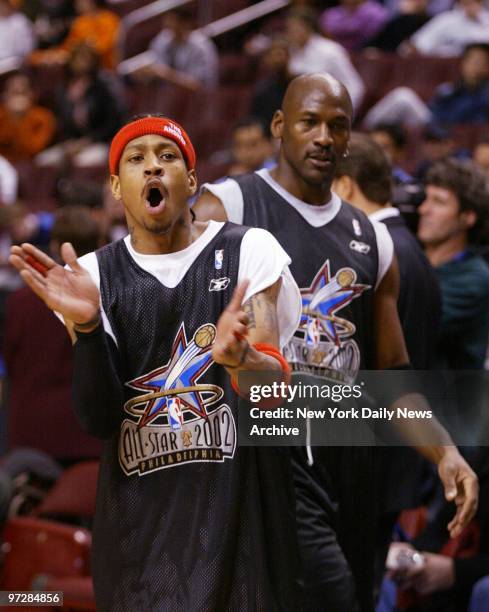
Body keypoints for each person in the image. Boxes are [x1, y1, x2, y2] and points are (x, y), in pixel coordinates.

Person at [194, 73, 478, 612]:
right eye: (309, 122)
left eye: (337, 126)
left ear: (349, 140)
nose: (324, 137)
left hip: (344, 464)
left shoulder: (373, 240)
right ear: (280, 127)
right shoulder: (227, 205)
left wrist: (445, 452)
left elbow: (394, 379)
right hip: (254, 456)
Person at [10, 115, 302, 610]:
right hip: (139, 534)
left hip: (242, 526)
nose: (152, 169)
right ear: (115, 187)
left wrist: (244, 360)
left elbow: (273, 395)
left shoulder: (248, 249)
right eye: (136, 159)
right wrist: (85, 331)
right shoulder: (94, 276)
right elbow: (98, 418)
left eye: (167, 158)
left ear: (190, 181)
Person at [332, 132, 441, 580]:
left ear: (343, 186)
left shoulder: (381, 253)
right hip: (390, 465)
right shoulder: (411, 250)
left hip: (366, 469)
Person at [4, 206, 102, 461]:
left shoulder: (19, 302)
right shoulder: (112, 297)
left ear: (55, 244)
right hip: (92, 435)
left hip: (30, 435)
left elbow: (10, 364)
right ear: (100, 244)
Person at [417, 157, 489, 370]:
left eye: (439, 202)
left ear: (467, 217)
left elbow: (414, 325)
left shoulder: (474, 279)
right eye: (425, 199)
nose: (424, 210)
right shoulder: (414, 259)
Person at [363, 43, 489, 128]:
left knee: (403, 97)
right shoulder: (450, 88)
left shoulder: (484, 94)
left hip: (451, 130)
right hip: (433, 125)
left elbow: (475, 122)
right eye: (471, 61)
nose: (475, 66)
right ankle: (366, 130)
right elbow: (433, 109)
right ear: (463, 64)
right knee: (402, 96)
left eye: (480, 62)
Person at [285, 8, 365, 110]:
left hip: (330, 105)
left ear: (308, 27)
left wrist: (345, 113)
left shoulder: (330, 50)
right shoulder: (291, 50)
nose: (290, 33)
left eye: (294, 28)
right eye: (288, 29)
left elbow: (355, 87)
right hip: (303, 105)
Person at [140, 7, 218, 91]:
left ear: (185, 24)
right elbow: (155, 69)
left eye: (172, 22)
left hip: (200, 99)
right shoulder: (162, 40)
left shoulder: (201, 46)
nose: (168, 26)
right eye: (167, 23)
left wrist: (163, 73)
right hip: (168, 96)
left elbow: (197, 85)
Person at [0, 72, 56, 161]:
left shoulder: (43, 117)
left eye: (22, 93)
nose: (18, 99)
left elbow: (33, 149)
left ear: (31, 95)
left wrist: (19, 119)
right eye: (14, 93)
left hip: (33, 164)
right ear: (4, 96)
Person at [409, 0, 489, 57]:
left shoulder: (486, 20)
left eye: (476, 1)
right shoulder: (445, 20)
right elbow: (418, 45)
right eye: (467, 3)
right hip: (445, 67)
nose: (471, 6)